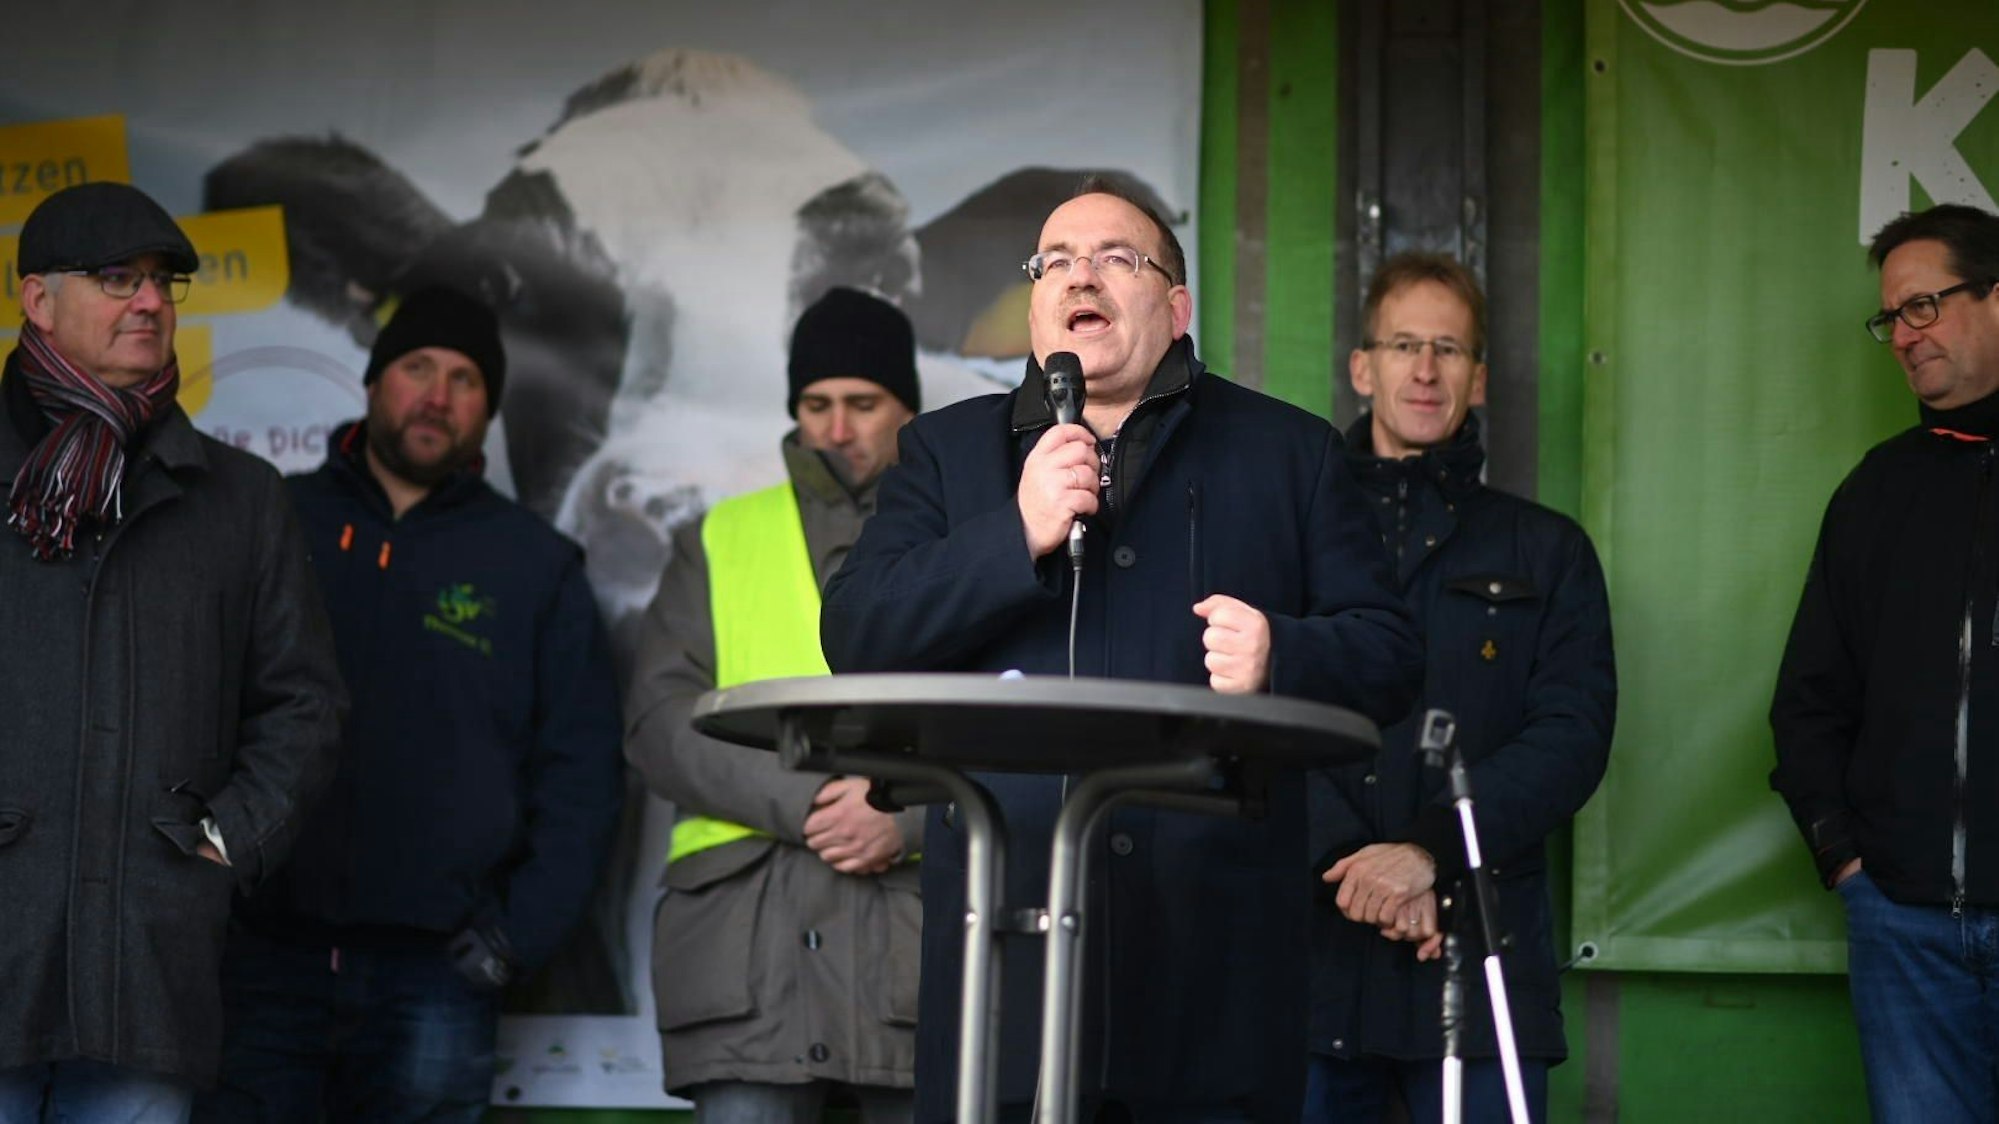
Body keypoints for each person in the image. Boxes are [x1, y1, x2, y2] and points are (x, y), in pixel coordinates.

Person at [820, 178, 1424, 1123]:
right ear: (1033, 303)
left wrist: (1281, 655)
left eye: (1113, 257)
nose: (1078, 276)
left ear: (1174, 305)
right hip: (1005, 964)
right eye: (1054, 261)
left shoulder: (1287, 453)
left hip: (1210, 972)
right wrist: (1010, 533)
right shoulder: (946, 454)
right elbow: (856, 637)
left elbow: (1389, 656)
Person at [198, 286, 625, 1121]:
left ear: (488, 412)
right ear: (373, 382)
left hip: (437, 979)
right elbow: (186, 711)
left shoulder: (536, 567)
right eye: (417, 367)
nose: (437, 394)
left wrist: (514, 939)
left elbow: (583, 777)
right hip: (261, 966)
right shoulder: (272, 520)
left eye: (465, 379)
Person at [0, 182, 345, 1121]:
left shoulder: (239, 494)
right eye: (117, 277)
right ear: (38, 300)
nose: (150, 302)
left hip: (148, 969)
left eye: (162, 282)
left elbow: (304, 704)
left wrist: (227, 842)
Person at [1305, 253, 1615, 1124]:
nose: (1426, 368)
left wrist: (1429, 852)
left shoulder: (1545, 551)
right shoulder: (1295, 540)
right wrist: (1359, 873)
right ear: (1363, 367)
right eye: (1404, 344)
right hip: (1314, 974)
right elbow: (1252, 720)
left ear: (1478, 379)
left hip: (1482, 967)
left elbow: (1570, 738)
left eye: (1449, 348)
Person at [625, 286, 925, 1122]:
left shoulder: (970, 539)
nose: (836, 428)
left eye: (863, 404)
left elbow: (1018, 726)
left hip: (911, 958)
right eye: (815, 404)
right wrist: (811, 803)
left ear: (909, 406)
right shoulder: (718, 537)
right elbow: (657, 725)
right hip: (746, 964)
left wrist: (905, 820)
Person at [1772, 202, 1999, 1122]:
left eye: (1924, 306)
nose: (1902, 336)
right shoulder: (1876, 489)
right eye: (1889, 317)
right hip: (1903, 930)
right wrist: (1845, 861)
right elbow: (1810, 699)